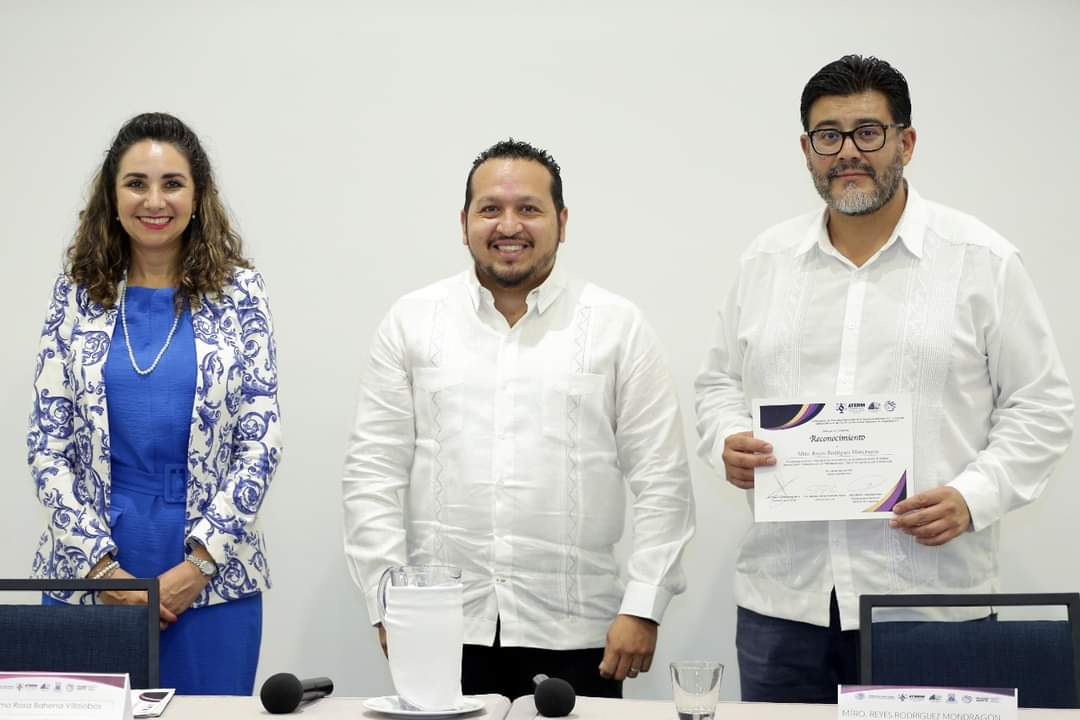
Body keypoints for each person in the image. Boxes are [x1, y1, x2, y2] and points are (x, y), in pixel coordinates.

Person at [694, 55, 1073, 703]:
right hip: (784, 602)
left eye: (868, 132)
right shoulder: (766, 262)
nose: (848, 152)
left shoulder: (980, 260)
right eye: (828, 135)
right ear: (807, 149)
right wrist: (726, 437)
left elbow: (1043, 405)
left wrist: (973, 496)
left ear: (906, 141)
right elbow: (717, 384)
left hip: (927, 605)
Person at [343, 139, 695, 699]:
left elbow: (663, 480)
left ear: (561, 220)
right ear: (464, 223)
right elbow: (372, 474)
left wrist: (644, 606)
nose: (510, 225)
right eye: (491, 209)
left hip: (579, 632)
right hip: (440, 626)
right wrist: (389, 602)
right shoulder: (412, 321)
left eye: (529, 208)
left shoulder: (617, 326)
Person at [28, 112, 283, 695]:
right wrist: (102, 572)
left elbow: (260, 441)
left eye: (172, 183)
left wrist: (198, 566)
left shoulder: (242, 293)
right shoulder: (74, 296)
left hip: (211, 586)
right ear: (112, 197)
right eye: (136, 183)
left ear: (198, 197)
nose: (154, 200)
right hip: (85, 581)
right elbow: (47, 444)